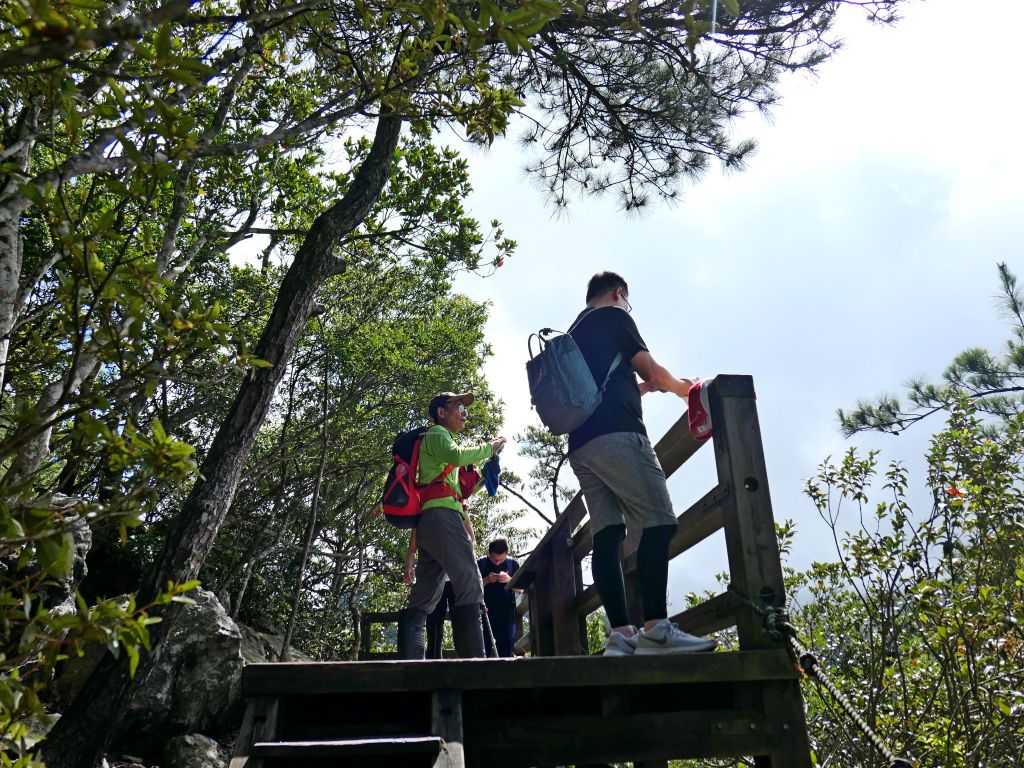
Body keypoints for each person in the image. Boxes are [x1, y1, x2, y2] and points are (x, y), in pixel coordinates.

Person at [566, 272, 716, 656]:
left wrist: (646, 388)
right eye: (625, 300)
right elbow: (651, 369)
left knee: (608, 533)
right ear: (618, 294)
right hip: (619, 434)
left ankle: (621, 634)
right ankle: (656, 630)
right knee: (660, 521)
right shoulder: (615, 318)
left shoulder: (572, 334)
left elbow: (617, 384)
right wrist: (687, 391)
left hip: (582, 444)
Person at [396, 392, 506, 659]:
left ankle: (410, 668)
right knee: (469, 579)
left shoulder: (438, 441)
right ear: (441, 413)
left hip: (432, 520)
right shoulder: (436, 433)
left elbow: (455, 490)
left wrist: (485, 474)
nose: (464, 413)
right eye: (459, 407)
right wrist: (489, 447)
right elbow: (457, 457)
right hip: (443, 518)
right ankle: (475, 666)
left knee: (424, 596)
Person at [478, 539, 521, 657]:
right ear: (489, 554)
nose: (497, 563)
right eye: (494, 559)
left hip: (506, 616)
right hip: (484, 614)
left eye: (501, 560)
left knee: (506, 652)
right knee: (482, 653)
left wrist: (509, 580)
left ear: (506, 555)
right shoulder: (481, 563)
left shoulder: (513, 564)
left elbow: (521, 589)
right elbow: (472, 587)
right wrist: (487, 580)